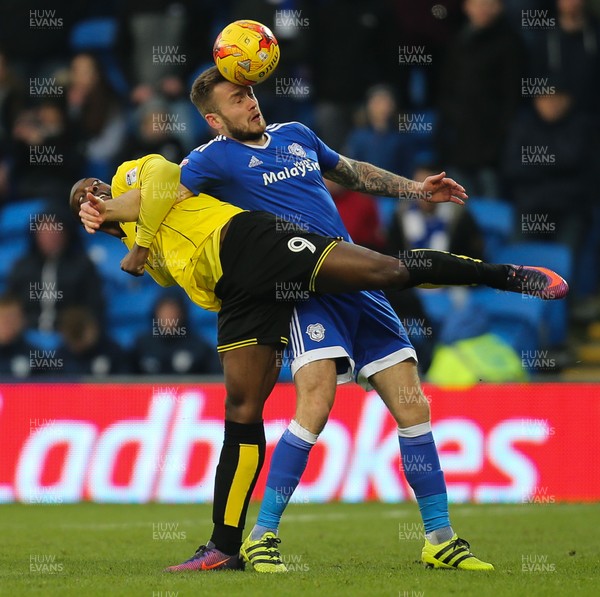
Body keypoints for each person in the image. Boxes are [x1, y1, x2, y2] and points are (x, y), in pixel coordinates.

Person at [133, 67, 566, 574]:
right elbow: (156, 196)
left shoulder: (296, 135)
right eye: (236, 99)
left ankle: (439, 538)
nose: (250, 102)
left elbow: (353, 172)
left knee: (413, 405)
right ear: (213, 118)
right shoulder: (211, 159)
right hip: (306, 289)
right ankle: (262, 536)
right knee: (316, 400)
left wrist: (415, 190)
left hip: (356, 280)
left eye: (249, 92)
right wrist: (106, 209)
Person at [7, 204, 105, 332]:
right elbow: (10, 306)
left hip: (70, 339)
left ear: (66, 233)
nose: (49, 236)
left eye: (54, 230)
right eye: (44, 231)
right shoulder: (22, 267)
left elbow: (93, 309)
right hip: (26, 340)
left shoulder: (83, 267)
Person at [131, 292, 220, 375]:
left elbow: (212, 381)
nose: (168, 316)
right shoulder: (141, 345)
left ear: (182, 314)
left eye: (173, 311)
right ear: (156, 313)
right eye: (164, 311)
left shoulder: (199, 347)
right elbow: (126, 380)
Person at [56, 305, 131, 376]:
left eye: (80, 334)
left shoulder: (113, 352)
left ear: (93, 328)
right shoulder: (61, 357)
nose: (78, 343)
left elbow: (124, 383)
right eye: (73, 337)